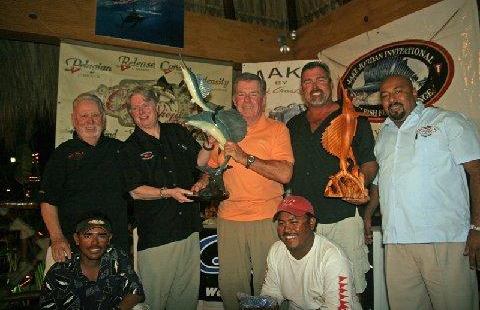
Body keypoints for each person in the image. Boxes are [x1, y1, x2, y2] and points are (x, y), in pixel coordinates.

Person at [363, 74, 480, 309]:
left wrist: (477, 227)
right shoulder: (383, 136)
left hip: (443, 239)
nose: (391, 99)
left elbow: (476, 171)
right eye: (385, 95)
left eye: (398, 91)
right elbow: (380, 181)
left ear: (414, 93)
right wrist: (367, 215)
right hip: (396, 242)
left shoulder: (447, 121)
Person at [203, 73, 294, 309]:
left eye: (253, 94)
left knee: (272, 287)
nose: (247, 100)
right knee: (232, 288)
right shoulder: (222, 131)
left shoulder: (277, 130)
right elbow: (210, 170)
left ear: (263, 99)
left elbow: (285, 174)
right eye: (241, 94)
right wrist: (202, 181)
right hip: (229, 219)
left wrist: (245, 158)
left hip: (267, 219)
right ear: (234, 100)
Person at [287, 61, 377, 294]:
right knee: (309, 289)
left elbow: (369, 162)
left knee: (346, 288)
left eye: (320, 80)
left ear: (330, 84)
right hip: (304, 220)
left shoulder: (353, 118)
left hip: (343, 217)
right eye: (307, 81)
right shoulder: (293, 125)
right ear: (301, 89)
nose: (314, 86)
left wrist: (359, 186)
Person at [120, 86, 210, 310]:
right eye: (135, 108)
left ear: (157, 107)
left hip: (189, 232)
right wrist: (167, 193)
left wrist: (207, 152)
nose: (141, 111)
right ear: (131, 114)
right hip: (157, 239)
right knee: (154, 303)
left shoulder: (177, 132)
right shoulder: (129, 148)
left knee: (185, 302)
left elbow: (201, 164)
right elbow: (135, 190)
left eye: (146, 105)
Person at [39, 93, 129, 270]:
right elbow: (48, 201)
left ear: (103, 119)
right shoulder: (61, 155)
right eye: (84, 116)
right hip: (73, 249)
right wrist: (57, 237)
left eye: (95, 115)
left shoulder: (121, 150)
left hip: (114, 247)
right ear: (74, 120)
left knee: (116, 297)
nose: (90, 121)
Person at [261, 195, 362, 310]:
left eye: (293, 222)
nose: (287, 229)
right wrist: (262, 305)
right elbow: (272, 291)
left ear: (312, 223)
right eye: (281, 223)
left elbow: (337, 307)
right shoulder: (276, 251)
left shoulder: (332, 257)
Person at [39, 212, 145, 310]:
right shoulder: (60, 272)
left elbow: (136, 292)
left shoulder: (116, 257)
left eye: (101, 236)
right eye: (87, 236)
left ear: (109, 239)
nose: (95, 242)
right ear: (76, 239)